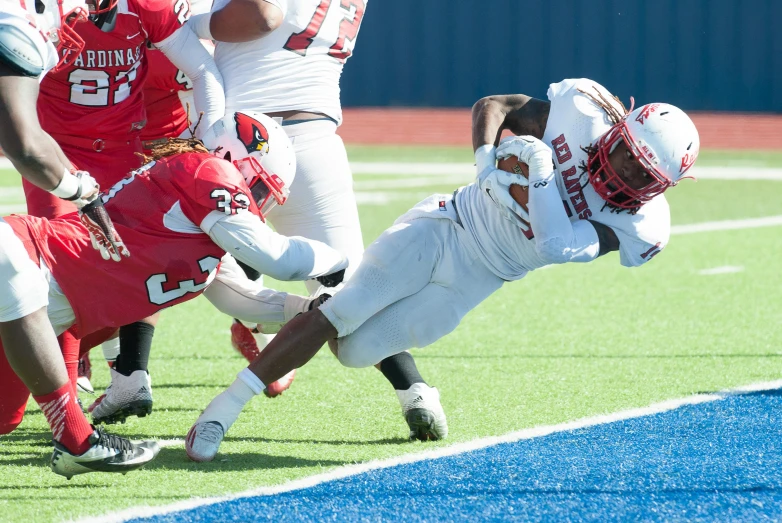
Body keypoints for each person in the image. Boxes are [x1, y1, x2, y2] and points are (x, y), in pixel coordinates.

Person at [184, 78, 701, 462]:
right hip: (446, 224)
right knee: (340, 315)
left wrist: (537, 167)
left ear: (662, 187)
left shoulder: (642, 226)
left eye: (644, 174)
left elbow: (557, 244)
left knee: (354, 350)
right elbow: (494, 106)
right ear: (619, 131)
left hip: (478, 280)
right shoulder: (581, 113)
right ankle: (224, 410)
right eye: (629, 156)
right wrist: (485, 164)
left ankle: (305, 308)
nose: (627, 174)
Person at [0, 111, 348, 473]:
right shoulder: (205, 169)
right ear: (233, 158)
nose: (258, 203)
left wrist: (312, 308)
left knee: (4, 418)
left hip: (43, 303)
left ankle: (77, 440)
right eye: (259, 188)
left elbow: (243, 299)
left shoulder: (202, 232)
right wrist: (335, 260)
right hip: (26, 257)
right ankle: (78, 441)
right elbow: (275, 257)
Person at [187, 0, 448, 441]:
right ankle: (415, 391)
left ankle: (121, 371)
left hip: (241, 141)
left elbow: (261, 16)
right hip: (313, 141)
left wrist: (181, 27)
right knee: (347, 291)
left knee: (165, 257)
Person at [26, 0, 225, 405]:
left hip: (123, 152)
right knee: (58, 272)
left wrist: (208, 141)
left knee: (130, 268)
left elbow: (203, 68)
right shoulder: (49, 9)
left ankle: (118, 371)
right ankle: (66, 407)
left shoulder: (145, 7)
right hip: (58, 152)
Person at [0, 0, 156, 479]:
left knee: (15, 271)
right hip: (62, 163)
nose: (85, 19)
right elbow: (25, 145)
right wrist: (83, 192)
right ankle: (73, 437)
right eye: (87, 6)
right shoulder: (19, 22)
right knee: (16, 267)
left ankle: (72, 435)